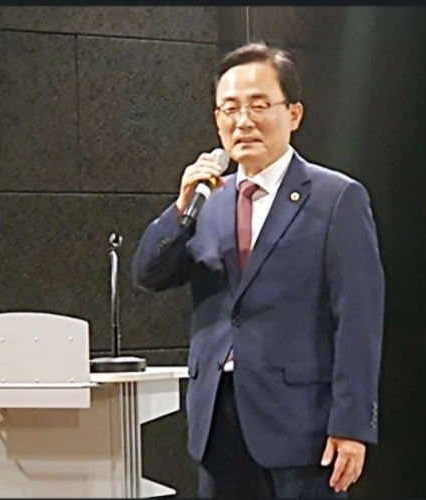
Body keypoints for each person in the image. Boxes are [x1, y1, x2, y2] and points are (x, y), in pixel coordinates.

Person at [132, 41, 385, 499]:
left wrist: (352, 425)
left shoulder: (336, 198)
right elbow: (149, 273)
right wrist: (180, 209)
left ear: (294, 114)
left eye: (259, 105)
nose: (243, 121)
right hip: (217, 422)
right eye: (229, 108)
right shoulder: (208, 200)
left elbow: (359, 318)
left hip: (301, 426)